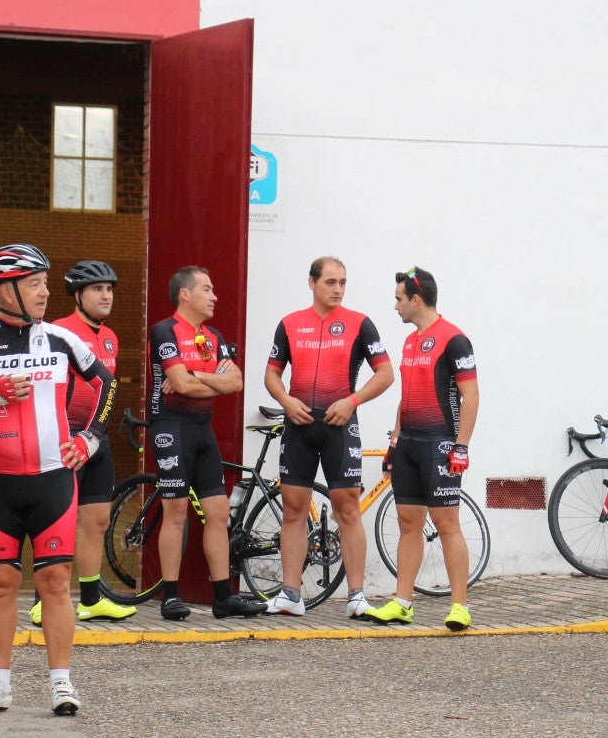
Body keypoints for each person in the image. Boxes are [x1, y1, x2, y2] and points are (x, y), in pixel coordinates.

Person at [0, 243, 117, 717]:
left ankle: (61, 683)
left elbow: (106, 383)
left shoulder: (60, 339)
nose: (44, 293)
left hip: (52, 479)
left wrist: (90, 438)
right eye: (34, 284)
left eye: (45, 283)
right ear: (6, 290)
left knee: (56, 581)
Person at [264, 256, 395, 617]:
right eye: (330, 282)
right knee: (293, 510)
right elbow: (271, 374)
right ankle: (291, 594)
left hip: (340, 426)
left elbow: (386, 373)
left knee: (347, 509)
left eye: (343, 283)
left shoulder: (359, 324)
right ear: (312, 282)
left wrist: (353, 401)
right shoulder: (289, 324)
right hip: (299, 425)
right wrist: (285, 400)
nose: (338, 289)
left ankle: (357, 597)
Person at [147, 266, 266, 620]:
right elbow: (180, 386)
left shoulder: (213, 336)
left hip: (203, 429)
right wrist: (208, 381)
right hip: (171, 427)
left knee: (218, 512)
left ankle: (222, 598)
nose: (215, 296)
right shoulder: (164, 330)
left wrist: (195, 373)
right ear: (185, 294)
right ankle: (170, 596)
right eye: (207, 289)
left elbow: (236, 383)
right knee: (176, 511)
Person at [364, 266, 479, 631]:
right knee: (407, 523)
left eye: (399, 298)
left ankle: (459, 606)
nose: (395, 305)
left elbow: (471, 395)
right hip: (409, 444)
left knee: (446, 524)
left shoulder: (454, 339)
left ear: (416, 300)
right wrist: (394, 442)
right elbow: (407, 395)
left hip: (439, 444)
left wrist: (461, 446)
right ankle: (402, 603)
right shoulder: (410, 341)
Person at [28, 260, 138, 627]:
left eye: (109, 289)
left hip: (96, 437)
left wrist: (95, 434)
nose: (106, 296)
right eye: (97, 289)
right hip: (64, 438)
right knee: (56, 520)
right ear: (77, 295)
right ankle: (43, 599)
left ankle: (91, 600)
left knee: (98, 519)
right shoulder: (57, 331)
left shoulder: (110, 337)